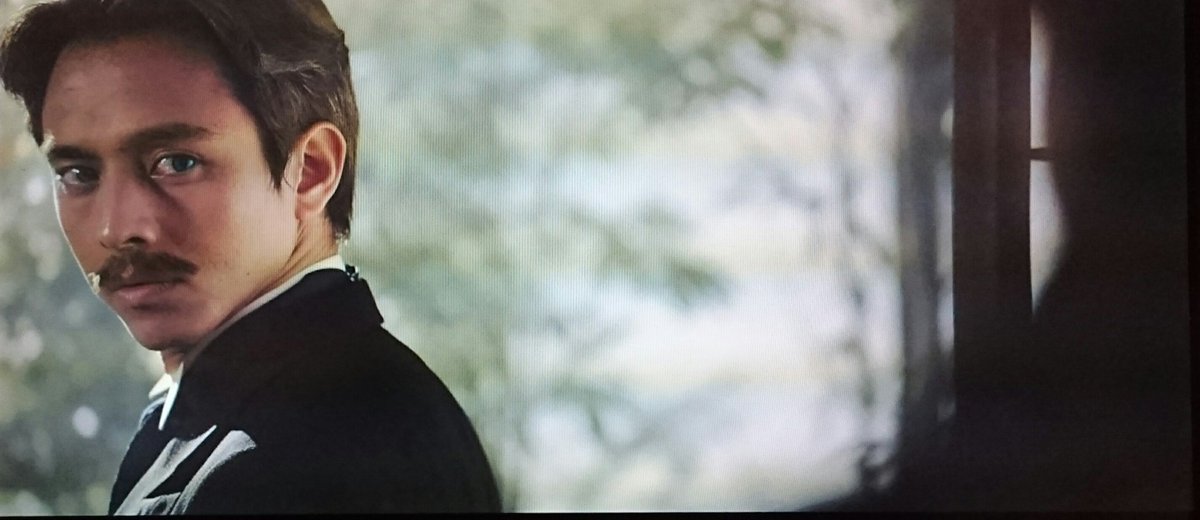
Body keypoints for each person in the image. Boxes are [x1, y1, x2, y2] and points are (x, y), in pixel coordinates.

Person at [0, 0, 501, 513]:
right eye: (79, 174)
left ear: (310, 170)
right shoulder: (312, 409)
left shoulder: (294, 460)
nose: (116, 228)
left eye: (177, 163)